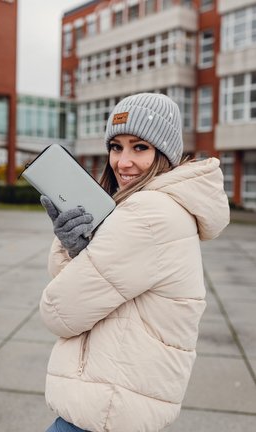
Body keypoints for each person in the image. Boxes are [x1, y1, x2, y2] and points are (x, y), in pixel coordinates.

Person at [40, 93, 230, 432]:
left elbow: (58, 311)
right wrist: (76, 249)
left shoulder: (149, 214)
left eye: (139, 147)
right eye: (116, 146)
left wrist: (79, 254)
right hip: (118, 396)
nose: (122, 161)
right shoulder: (153, 208)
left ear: (165, 154)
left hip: (106, 406)